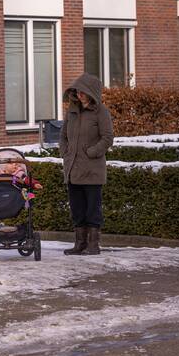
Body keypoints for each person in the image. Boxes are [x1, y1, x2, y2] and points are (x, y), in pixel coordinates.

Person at [59, 73, 114, 256]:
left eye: (83, 92)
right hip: (73, 169)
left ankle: (93, 244)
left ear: (91, 93)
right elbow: (63, 135)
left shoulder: (101, 112)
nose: (79, 95)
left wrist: (93, 152)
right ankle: (79, 243)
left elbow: (107, 138)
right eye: (77, 91)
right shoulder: (72, 112)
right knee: (77, 208)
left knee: (92, 208)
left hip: (92, 169)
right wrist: (65, 151)